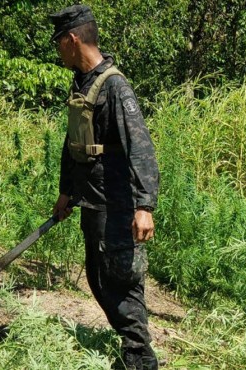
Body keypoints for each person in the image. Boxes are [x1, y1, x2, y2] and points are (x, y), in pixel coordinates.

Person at [49, 5, 160, 369]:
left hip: (117, 207)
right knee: (99, 280)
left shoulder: (114, 86)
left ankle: (140, 359)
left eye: (59, 43)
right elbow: (75, 143)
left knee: (122, 284)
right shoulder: (83, 82)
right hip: (93, 202)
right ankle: (131, 353)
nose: (57, 50)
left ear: (73, 39)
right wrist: (67, 191)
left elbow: (140, 147)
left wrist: (144, 206)